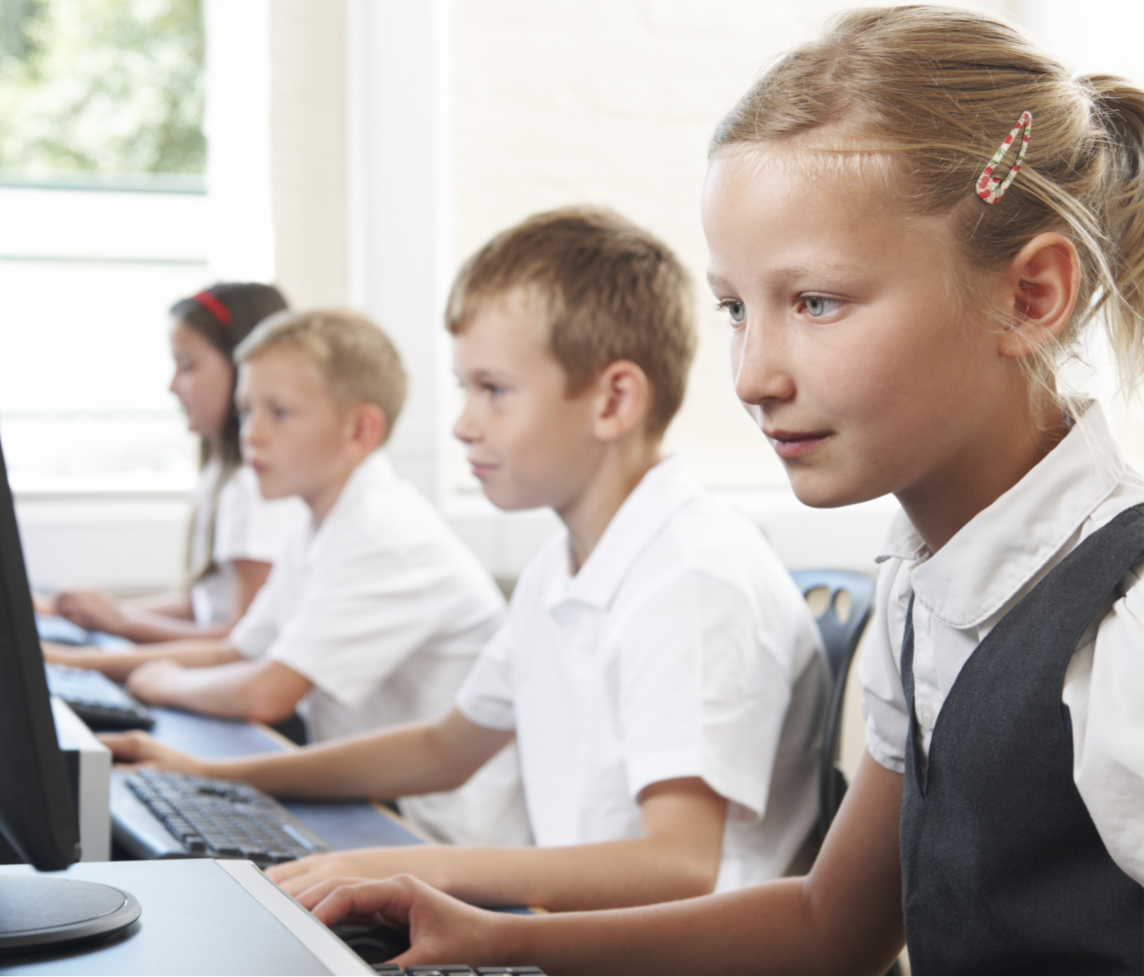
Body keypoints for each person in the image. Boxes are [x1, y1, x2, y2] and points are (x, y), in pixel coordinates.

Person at [276, 7, 1144, 973]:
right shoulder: (923, 588)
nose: (751, 377)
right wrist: (490, 936)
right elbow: (831, 926)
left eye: (816, 302)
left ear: (1029, 297)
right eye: (735, 308)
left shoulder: (1124, 626)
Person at [106, 207, 830, 913]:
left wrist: (411, 868)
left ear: (613, 401)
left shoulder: (690, 576)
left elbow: (678, 867)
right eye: (464, 388)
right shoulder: (565, 564)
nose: (461, 424)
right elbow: (445, 747)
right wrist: (218, 775)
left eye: (494, 390)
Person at [66, 308, 526, 847]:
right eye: (246, 411)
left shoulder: (382, 533)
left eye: (280, 412)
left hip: (431, 828)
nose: (252, 434)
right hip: (374, 799)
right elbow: (238, 650)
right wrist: (84, 666)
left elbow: (266, 693)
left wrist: (164, 683)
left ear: (360, 430)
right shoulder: (316, 525)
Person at [40, 282, 302, 643]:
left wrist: (118, 624)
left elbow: (243, 642)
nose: (172, 385)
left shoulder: (254, 488)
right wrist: (88, 613)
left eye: (187, 366)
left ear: (243, 368)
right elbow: (205, 606)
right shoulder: (221, 475)